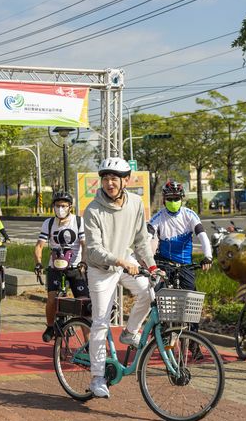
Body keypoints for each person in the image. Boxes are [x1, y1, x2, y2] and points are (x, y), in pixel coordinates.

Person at [83, 157, 158, 399]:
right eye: (105, 178)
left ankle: (130, 331)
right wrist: (119, 261)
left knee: (148, 291)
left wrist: (153, 265)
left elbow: (140, 240)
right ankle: (96, 378)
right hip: (100, 269)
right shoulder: (93, 209)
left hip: (125, 262)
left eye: (114, 178)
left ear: (126, 180)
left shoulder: (135, 203)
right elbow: (93, 249)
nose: (109, 183)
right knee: (101, 322)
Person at [34, 191, 89, 342]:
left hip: (76, 268)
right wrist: (38, 263)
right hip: (55, 267)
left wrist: (84, 262)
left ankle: (89, 343)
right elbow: (39, 246)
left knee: (84, 304)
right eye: (57, 206)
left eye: (64, 206)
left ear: (70, 207)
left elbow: (85, 245)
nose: (60, 208)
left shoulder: (78, 221)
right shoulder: (49, 223)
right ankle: (51, 326)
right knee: (52, 299)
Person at [148, 180, 213, 296]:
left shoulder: (189, 215)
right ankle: (155, 311)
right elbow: (147, 237)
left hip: (185, 264)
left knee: (191, 297)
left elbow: (202, 235)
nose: (173, 202)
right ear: (164, 200)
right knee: (157, 293)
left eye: (176, 199)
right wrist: (146, 259)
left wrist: (208, 256)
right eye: (170, 199)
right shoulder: (158, 217)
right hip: (164, 262)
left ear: (181, 199)